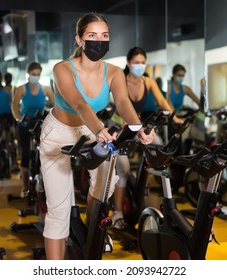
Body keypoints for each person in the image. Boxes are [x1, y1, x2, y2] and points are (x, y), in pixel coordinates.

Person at [39, 12, 154, 260]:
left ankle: (92, 232)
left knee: (106, 183)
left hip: (90, 130)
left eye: (104, 36)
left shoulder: (113, 72)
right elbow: (79, 103)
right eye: (92, 35)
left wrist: (138, 127)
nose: (99, 41)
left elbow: (123, 102)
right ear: (80, 39)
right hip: (59, 132)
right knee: (58, 209)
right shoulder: (62, 69)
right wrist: (99, 129)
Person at [110, 46, 177, 229]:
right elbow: (119, 104)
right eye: (136, 62)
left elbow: (162, 101)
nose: (139, 66)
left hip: (138, 128)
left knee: (159, 145)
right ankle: (117, 212)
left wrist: (174, 116)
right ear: (128, 63)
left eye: (142, 63)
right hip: (120, 128)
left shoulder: (148, 82)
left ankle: (144, 189)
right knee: (122, 169)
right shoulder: (120, 80)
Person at [12, 62, 54, 198]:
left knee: (43, 154)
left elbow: (56, 106)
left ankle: (44, 184)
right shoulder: (21, 89)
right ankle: (24, 187)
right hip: (25, 125)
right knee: (25, 155)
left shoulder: (46, 89)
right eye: (33, 74)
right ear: (28, 74)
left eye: (38, 74)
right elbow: (14, 106)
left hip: (40, 125)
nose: (36, 77)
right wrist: (19, 118)